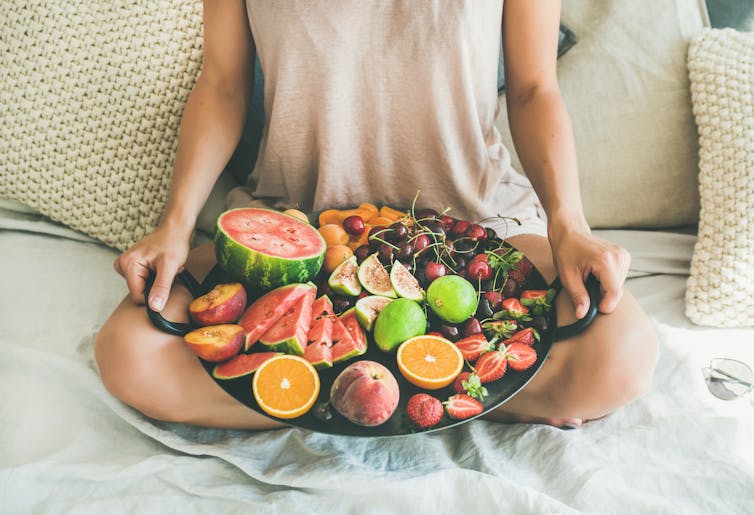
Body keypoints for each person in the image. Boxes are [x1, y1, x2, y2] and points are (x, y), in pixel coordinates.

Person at [95, 0, 658, 430]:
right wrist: (174, 223)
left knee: (623, 355)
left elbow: (535, 90)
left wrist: (569, 225)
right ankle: (434, 406)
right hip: (297, 225)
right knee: (128, 354)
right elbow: (221, 85)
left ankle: (310, 400)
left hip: (474, 223)